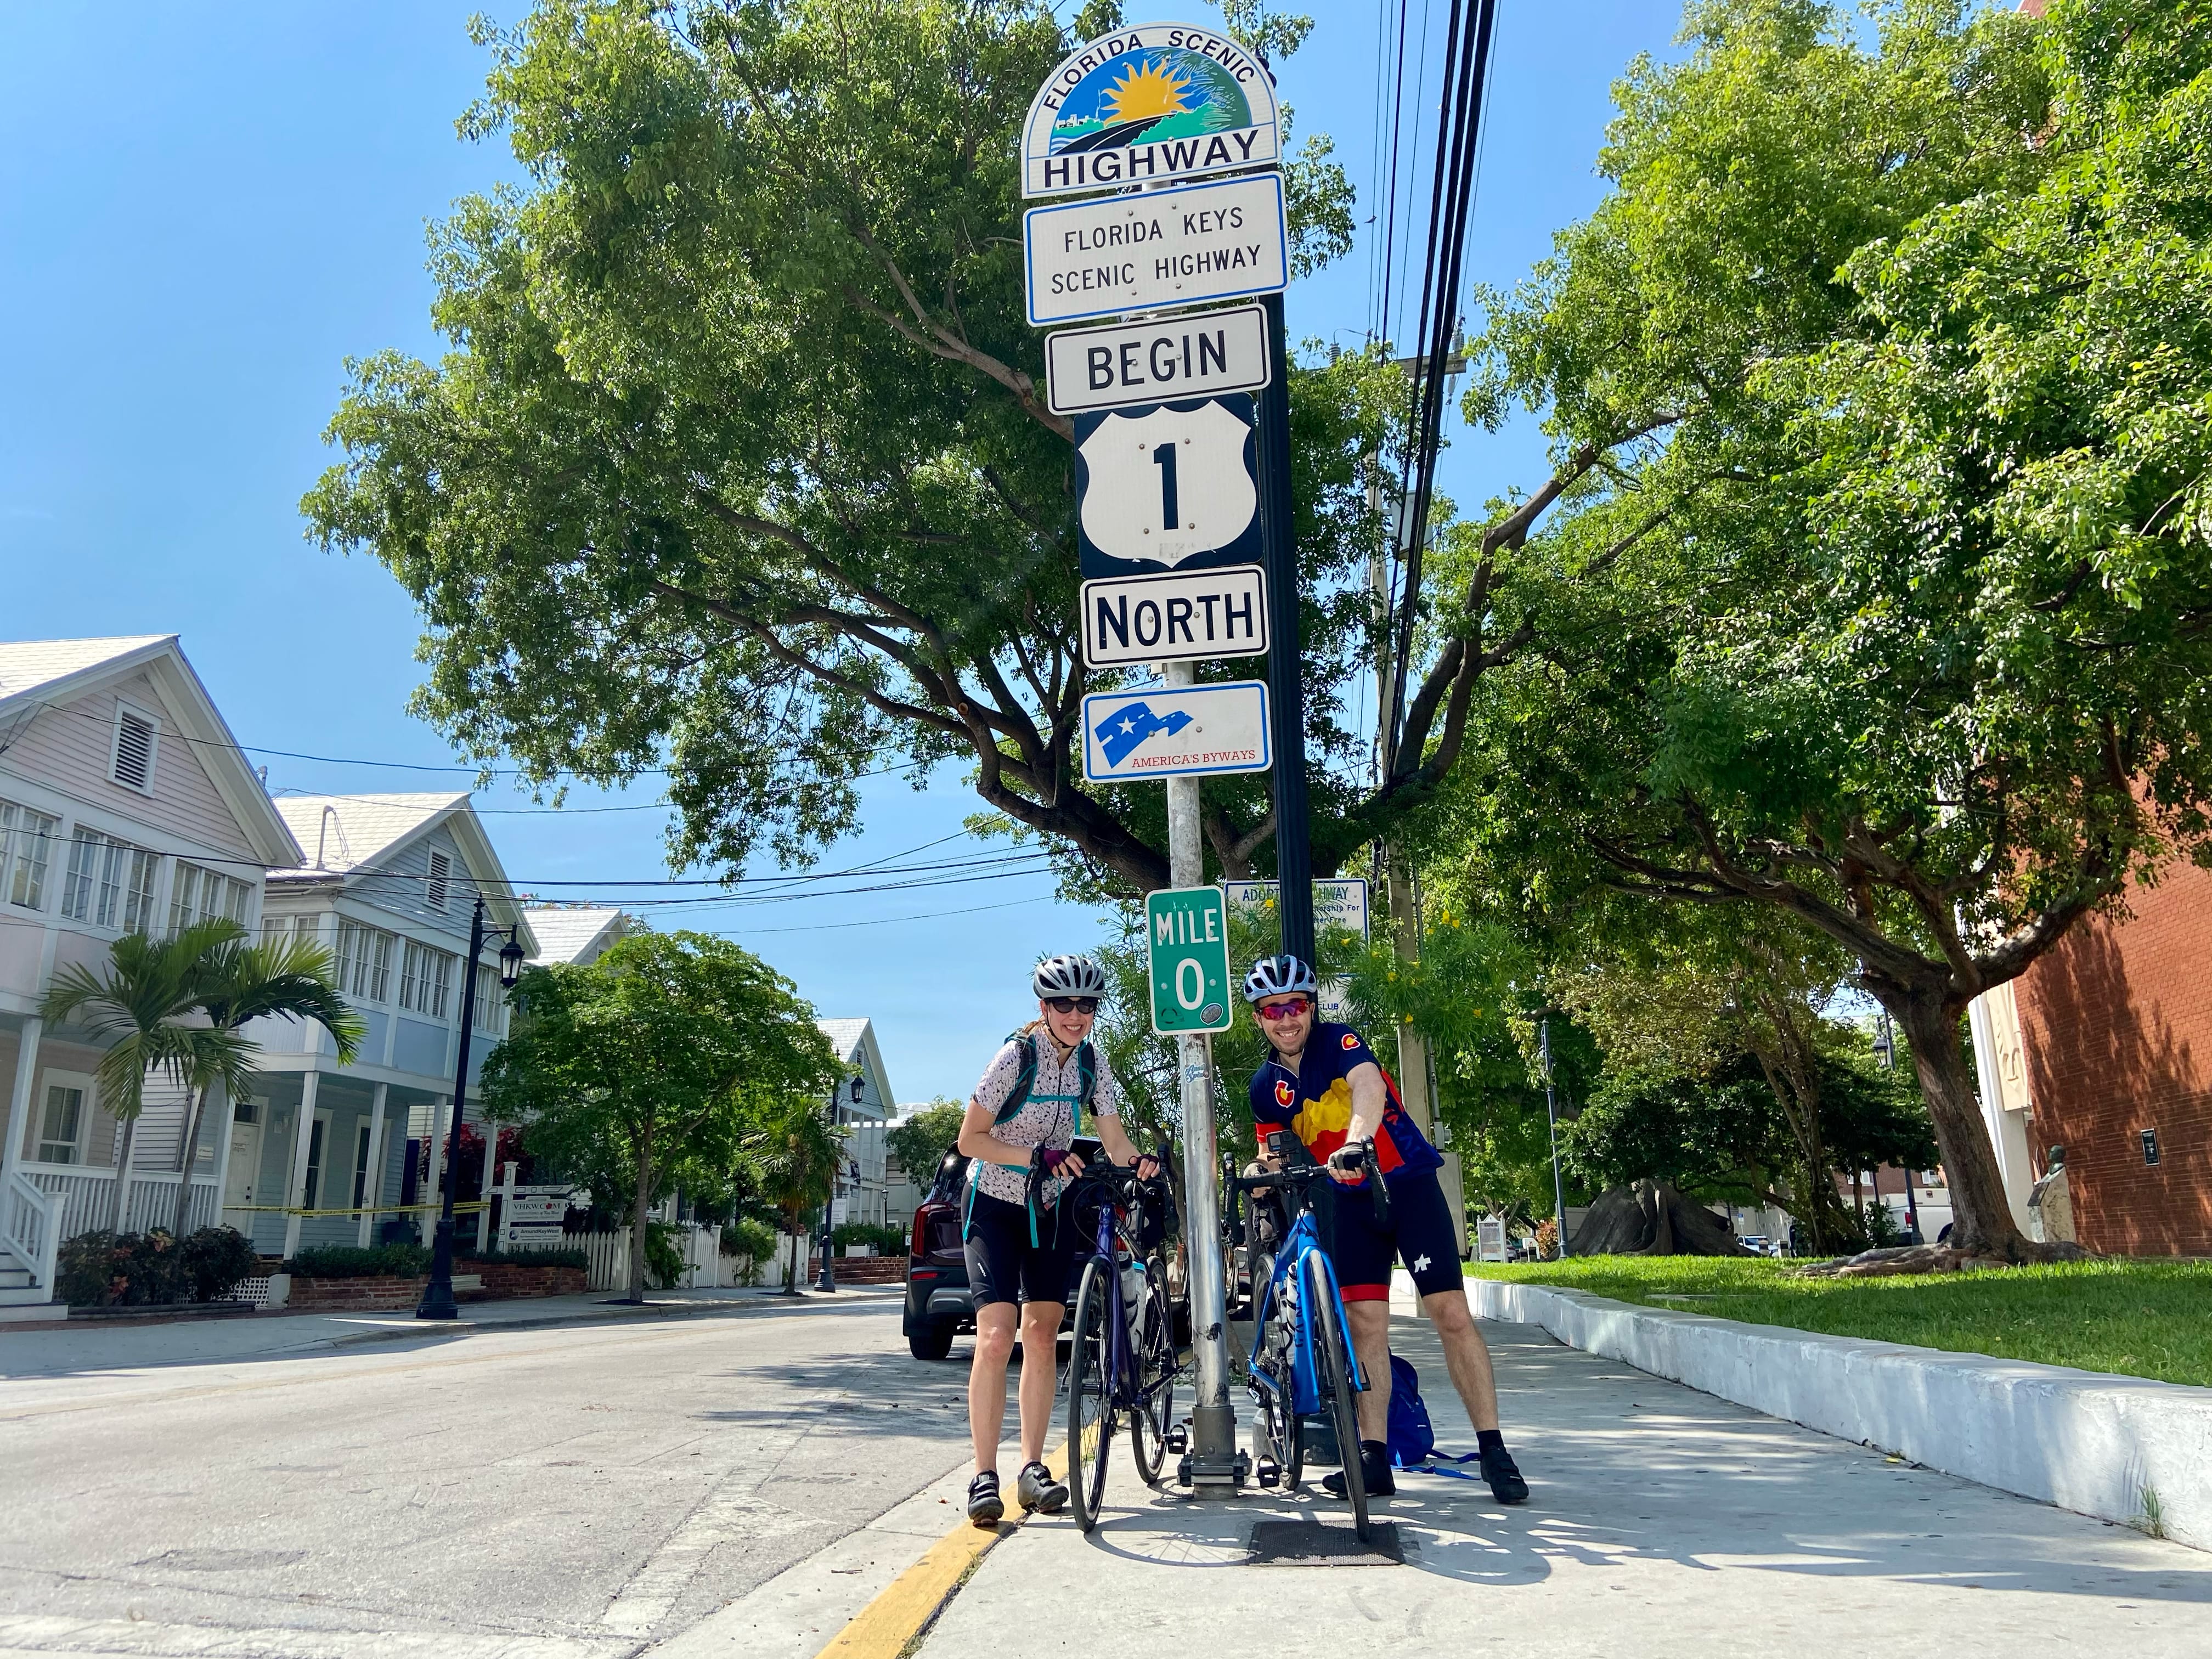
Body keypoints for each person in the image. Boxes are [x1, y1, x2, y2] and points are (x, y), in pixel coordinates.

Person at [1242, 953, 1530, 1505]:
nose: (1286, 1018)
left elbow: (1368, 1088)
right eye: (1273, 1009)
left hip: (1406, 1186)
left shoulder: (1340, 1042)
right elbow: (1271, 1152)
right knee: (1366, 1326)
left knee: (1450, 1313)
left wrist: (1357, 1138)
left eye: (1296, 1006)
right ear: (1259, 1018)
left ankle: (1494, 1450)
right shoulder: (1264, 1086)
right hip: (1349, 1204)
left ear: (1311, 1008)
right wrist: (1259, 1173)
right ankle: (1372, 1459)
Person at [956, 953, 1159, 1527]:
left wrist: (1137, 1163)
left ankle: (1031, 1469)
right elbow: (970, 1140)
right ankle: (984, 1475)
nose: (1076, 1015)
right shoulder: (1014, 1058)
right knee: (997, 1338)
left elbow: (1113, 1138)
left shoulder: (1092, 1063)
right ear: (1043, 1008)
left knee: (1042, 1335)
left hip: (1046, 1208)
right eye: (1064, 1004)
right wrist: (1034, 1156)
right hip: (994, 1203)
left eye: (1086, 1005)